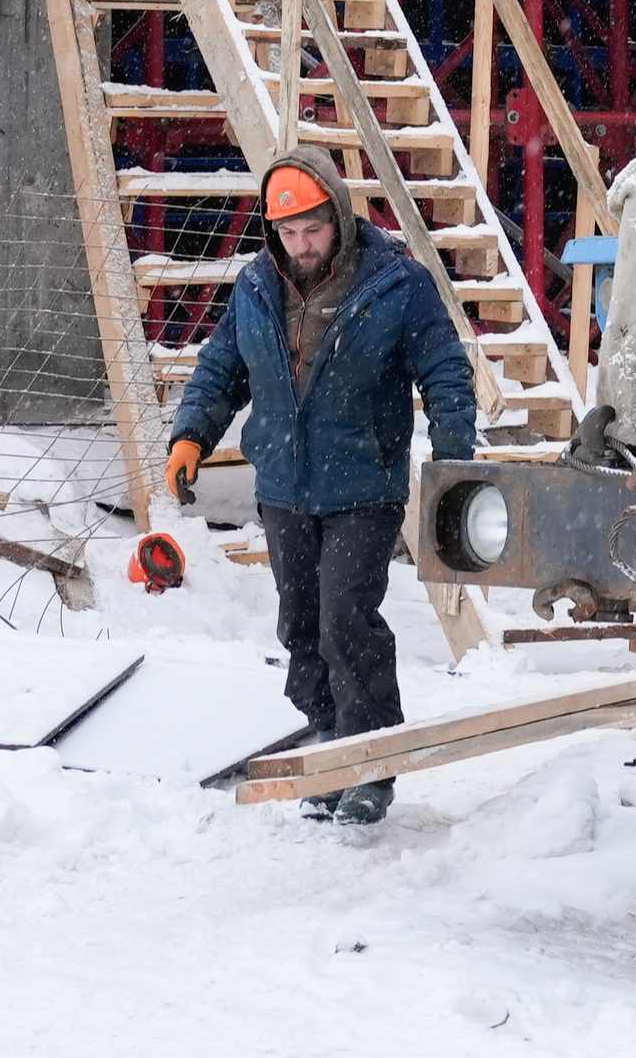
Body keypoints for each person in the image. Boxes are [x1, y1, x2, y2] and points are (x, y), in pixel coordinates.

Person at [164, 150, 475, 825]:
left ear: (336, 214)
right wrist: (192, 434)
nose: (301, 245)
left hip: (363, 482)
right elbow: (222, 367)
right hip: (283, 483)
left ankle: (371, 761)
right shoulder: (254, 286)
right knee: (300, 622)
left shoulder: (397, 283)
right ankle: (331, 740)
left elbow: (446, 369)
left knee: (346, 617)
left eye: (313, 229)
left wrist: (453, 456)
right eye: (288, 232)